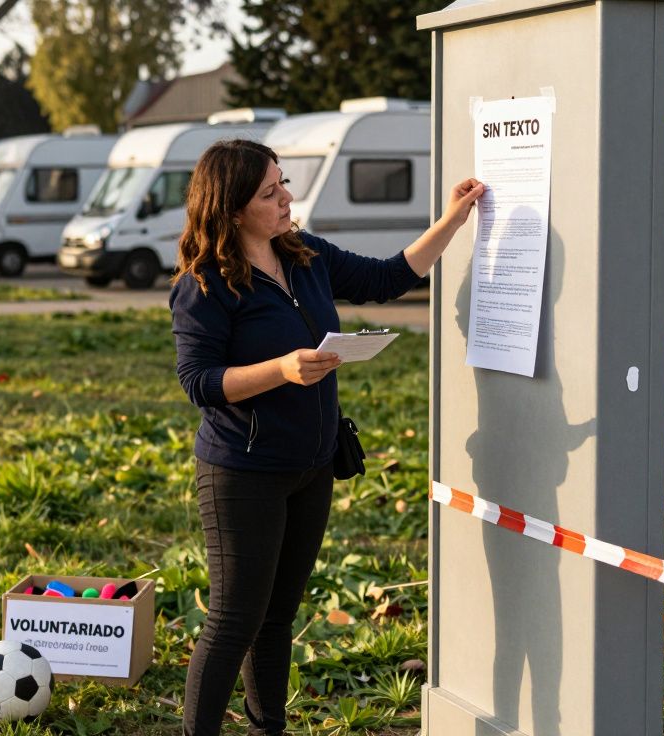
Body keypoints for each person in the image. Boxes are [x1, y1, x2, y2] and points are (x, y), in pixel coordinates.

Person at [168, 139, 484, 736]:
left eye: (283, 183)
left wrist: (452, 219)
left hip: (311, 466)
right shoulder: (205, 284)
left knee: (278, 617)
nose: (287, 197)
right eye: (270, 192)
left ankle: (269, 730)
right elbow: (200, 383)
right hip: (242, 471)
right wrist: (281, 370)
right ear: (233, 208)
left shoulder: (306, 254)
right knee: (236, 619)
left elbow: (387, 278)